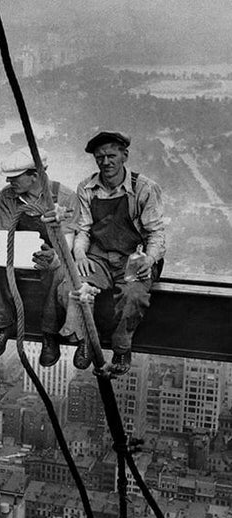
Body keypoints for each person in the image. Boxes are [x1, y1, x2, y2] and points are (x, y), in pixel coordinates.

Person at [60, 131, 166, 377]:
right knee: (75, 286)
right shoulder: (87, 188)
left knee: (133, 296)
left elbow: (156, 233)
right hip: (99, 257)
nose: (105, 162)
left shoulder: (144, 188)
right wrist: (80, 255)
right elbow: (83, 229)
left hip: (134, 259)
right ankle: (85, 337)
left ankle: (121, 348)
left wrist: (149, 260)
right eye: (99, 158)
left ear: (124, 156)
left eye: (111, 156)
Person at [0, 149, 78, 366]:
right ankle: (2, 323)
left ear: (34, 176)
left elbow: (68, 239)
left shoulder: (65, 196)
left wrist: (54, 256)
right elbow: (5, 231)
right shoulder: (8, 196)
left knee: (56, 270)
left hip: (50, 253)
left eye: (14, 177)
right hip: (19, 251)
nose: (8, 181)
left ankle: (49, 333)